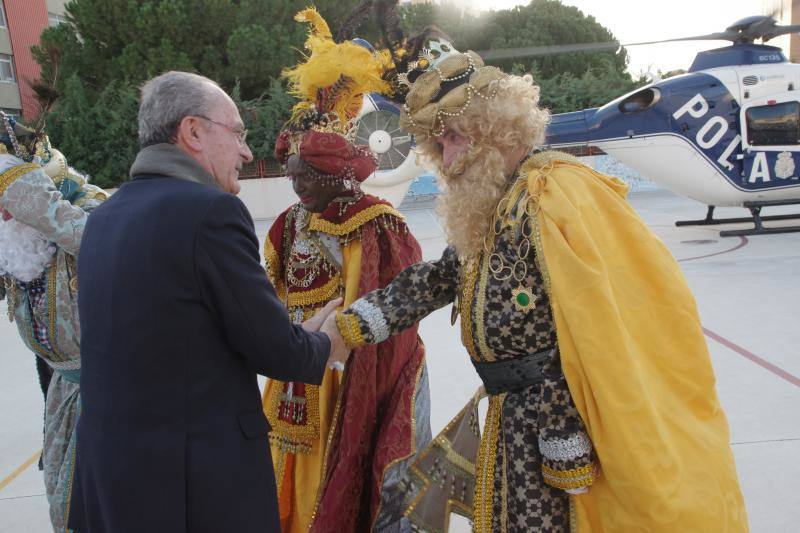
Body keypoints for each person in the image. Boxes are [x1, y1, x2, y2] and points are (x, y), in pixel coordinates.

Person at [327, 51, 749, 531]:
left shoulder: (555, 195)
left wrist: (562, 429)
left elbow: (599, 329)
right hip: (511, 418)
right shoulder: (495, 205)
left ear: (493, 130)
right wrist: (348, 326)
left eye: (454, 138)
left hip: (558, 428)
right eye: (439, 143)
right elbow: (437, 280)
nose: (445, 160)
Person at [68, 71, 347, 533]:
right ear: (193, 131)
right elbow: (276, 350)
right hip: (192, 487)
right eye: (237, 133)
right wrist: (327, 340)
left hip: (113, 480)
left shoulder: (104, 217)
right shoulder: (209, 211)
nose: (246, 151)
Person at [261, 10, 430, 532]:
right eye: (291, 176)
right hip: (296, 370)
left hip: (350, 371)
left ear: (335, 174)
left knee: (345, 473)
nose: (296, 190)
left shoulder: (376, 224)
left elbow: (396, 306)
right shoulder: (288, 224)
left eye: (306, 177)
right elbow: (270, 290)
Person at [0, 118, 107, 533]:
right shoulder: (15, 239)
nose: (6, 212)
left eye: (12, 200)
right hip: (62, 389)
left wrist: (37, 202)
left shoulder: (87, 209)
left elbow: (100, 240)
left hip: (110, 390)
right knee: (63, 501)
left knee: (96, 506)